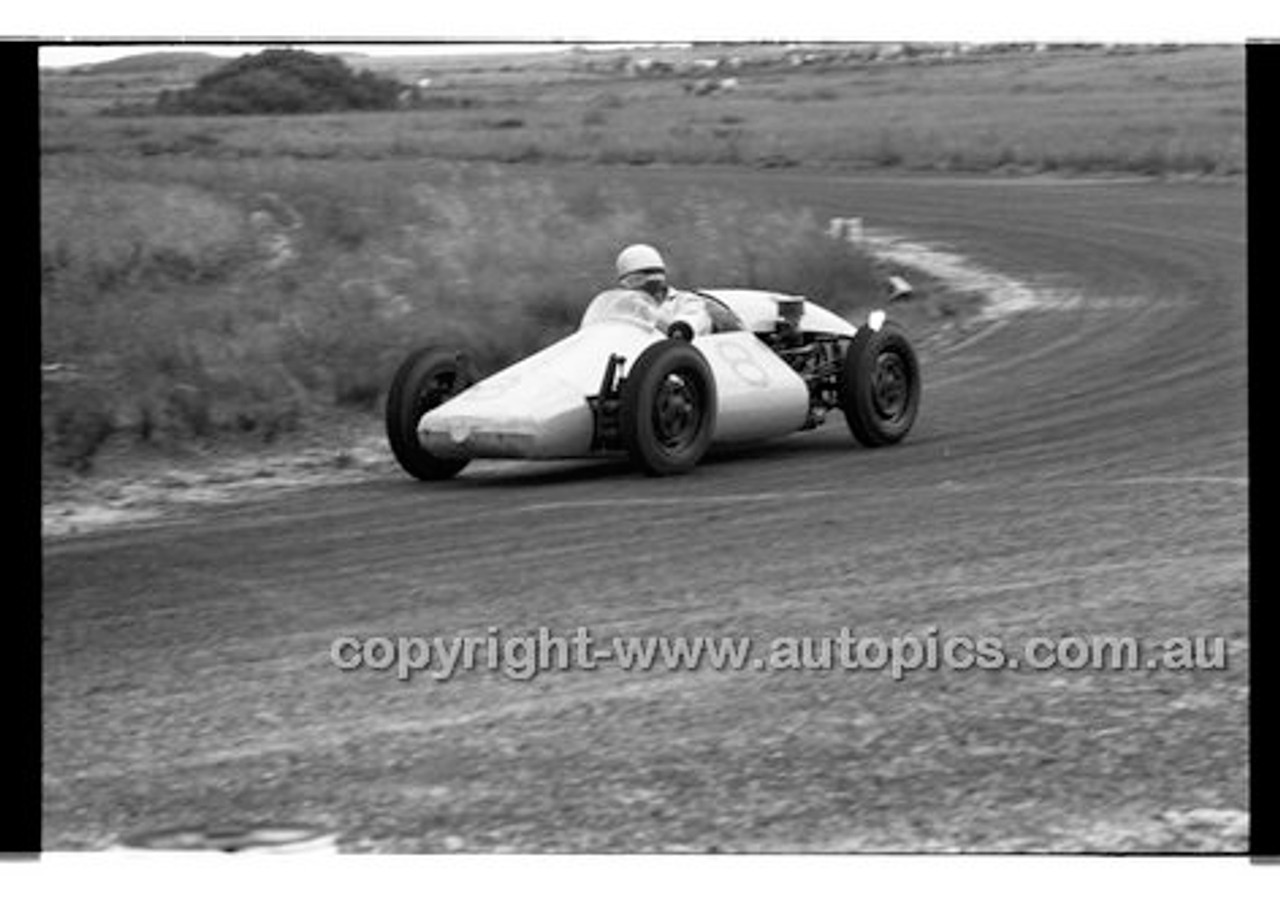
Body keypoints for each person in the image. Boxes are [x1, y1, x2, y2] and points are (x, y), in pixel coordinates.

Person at [614, 244, 714, 338]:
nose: (632, 287)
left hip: (678, 354)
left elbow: (686, 329)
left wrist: (647, 312)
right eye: (629, 282)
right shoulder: (623, 308)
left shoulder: (687, 301)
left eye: (637, 279)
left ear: (659, 277)